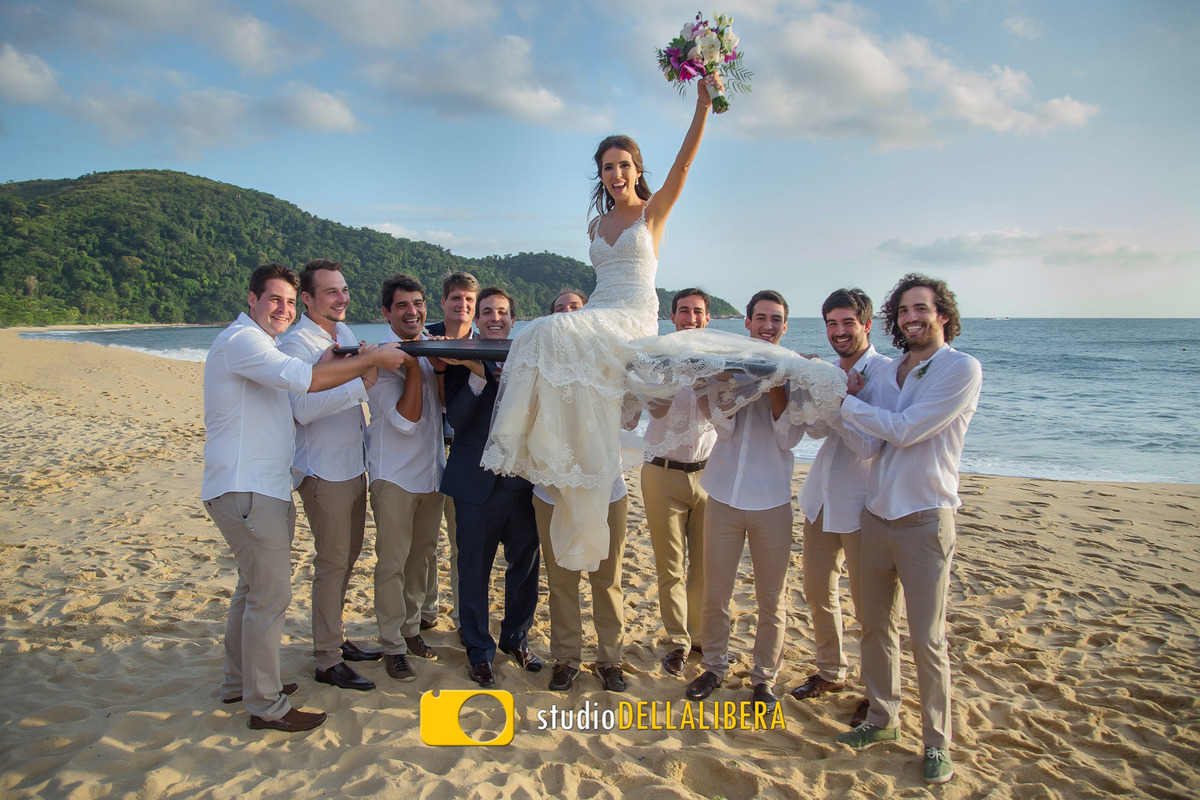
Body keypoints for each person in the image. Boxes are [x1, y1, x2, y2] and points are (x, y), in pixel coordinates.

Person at [480, 76, 722, 574]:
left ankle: (562, 450)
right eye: (608, 168)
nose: (616, 174)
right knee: (545, 334)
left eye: (624, 166)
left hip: (633, 312)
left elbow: (685, 164)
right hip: (599, 307)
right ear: (601, 174)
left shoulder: (651, 214)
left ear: (637, 171)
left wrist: (702, 105)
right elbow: (600, 285)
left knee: (544, 332)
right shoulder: (595, 226)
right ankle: (556, 452)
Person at [202, 263, 406, 732]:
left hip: (257, 485)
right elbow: (304, 384)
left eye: (289, 302)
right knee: (270, 596)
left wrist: (354, 364)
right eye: (275, 300)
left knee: (252, 591)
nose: (283, 309)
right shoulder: (245, 342)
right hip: (247, 486)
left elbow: (297, 391)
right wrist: (370, 364)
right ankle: (266, 704)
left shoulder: (260, 345)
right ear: (251, 299)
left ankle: (240, 682)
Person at [834, 274, 982, 787]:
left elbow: (909, 429)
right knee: (875, 627)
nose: (911, 317)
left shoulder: (960, 368)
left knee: (927, 638)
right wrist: (841, 395)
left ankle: (937, 743)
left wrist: (843, 402)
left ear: (943, 313)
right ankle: (881, 718)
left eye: (921, 307)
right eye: (902, 310)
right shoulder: (893, 369)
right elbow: (872, 445)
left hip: (925, 519)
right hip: (876, 515)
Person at [684, 290, 805, 715]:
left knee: (772, 597)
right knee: (716, 591)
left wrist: (773, 381)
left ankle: (763, 679)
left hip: (772, 499)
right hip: (723, 493)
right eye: (760, 319)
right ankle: (714, 667)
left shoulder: (794, 370)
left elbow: (789, 437)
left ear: (784, 326)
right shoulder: (728, 364)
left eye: (776, 319)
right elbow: (726, 430)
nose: (767, 326)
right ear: (748, 323)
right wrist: (723, 386)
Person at [789, 289, 891, 726]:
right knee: (818, 593)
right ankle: (831, 671)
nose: (839, 332)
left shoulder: (886, 375)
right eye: (832, 324)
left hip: (864, 503)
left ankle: (877, 691)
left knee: (872, 607)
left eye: (847, 323)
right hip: (820, 499)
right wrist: (808, 382)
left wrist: (838, 400)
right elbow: (811, 429)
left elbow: (869, 443)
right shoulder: (831, 371)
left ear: (867, 325)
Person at [278, 259, 380, 693]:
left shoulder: (345, 336)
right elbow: (300, 410)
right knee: (332, 562)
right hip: (323, 471)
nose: (342, 298)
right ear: (307, 298)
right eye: (331, 292)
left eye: (344, 290)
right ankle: (326, 658)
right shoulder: (296, 345)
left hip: (354, 465)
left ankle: (334, 638)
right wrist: (361, 384)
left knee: (348, 558)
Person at [439, 288, 542, 688]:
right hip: (474, 483)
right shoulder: (457, 361)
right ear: (477, 320)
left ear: (514, 319)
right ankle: (479, 652)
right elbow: (459, 419)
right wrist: (478, 375)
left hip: (522, 482)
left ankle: (515, 639)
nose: (494, 317)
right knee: (473, 570)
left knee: (524, 569)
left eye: (502, 311)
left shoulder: (531, 358)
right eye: (487, 312)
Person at [533, 292, 631, 693]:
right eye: (560, 309)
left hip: (607, 487)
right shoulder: (538, 361)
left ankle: (611, 660)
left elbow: (632, 415)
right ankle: (566, 658)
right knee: (561, 580)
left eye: (576, 307)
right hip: (552, 491)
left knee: (607, 579)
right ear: (550, 319)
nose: (568, 314)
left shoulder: (609, 358)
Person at [365, 274, 445, 683]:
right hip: (393, 476)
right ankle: (391, 644)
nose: (412, 311)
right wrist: (414, 367)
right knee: (392, 563)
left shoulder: (431, 348)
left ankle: (411, 630)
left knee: (422, 558)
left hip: (432, 474)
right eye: (401, 306)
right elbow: (405, 421)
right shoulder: (379, 358)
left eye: (417, 303)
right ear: (386, 312)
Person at [639, 288, 717, 677]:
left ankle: (701, 636)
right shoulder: (658, 357)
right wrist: (673, 369)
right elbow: (654, 408)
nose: (690, 317)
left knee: (704, 565)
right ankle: (678, 641)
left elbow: (726, 413)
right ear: (673, 317)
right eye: (683, 311)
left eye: (697, 312)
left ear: (707, 318)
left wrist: (705, 375)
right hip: (661, 473)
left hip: (709, 473)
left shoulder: (720, 359)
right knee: (670, 565)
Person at [423, 270, 480, 634]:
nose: (462, 306)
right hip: (426, 450)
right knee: (426, 540)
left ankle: (461, 617)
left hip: (464, 452)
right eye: (456, 298)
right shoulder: (424, 337)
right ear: (443, 301)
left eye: (469, 300)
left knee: (463, 543)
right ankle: (427, 611)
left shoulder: (485, 342)